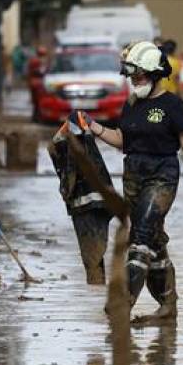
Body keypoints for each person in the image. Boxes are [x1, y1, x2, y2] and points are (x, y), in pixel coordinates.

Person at [86, 41, 183, 324]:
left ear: (155, 74)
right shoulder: (131, 105)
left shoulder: (173, 105)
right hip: (133, 176)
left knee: (140, 236)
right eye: (131, 77)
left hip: (162, 176)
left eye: (139, 76)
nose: (134, 81)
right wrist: (93, 127)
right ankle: (168, 305)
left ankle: (122, 302)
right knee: (154, 240)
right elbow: (122, 140)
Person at [48, 112, 114, 285]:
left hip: (88, 207)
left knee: (92, 257)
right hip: (101, 205)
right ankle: (97, 289)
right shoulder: (86, 146)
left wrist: (66, 193)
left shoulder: (73, 145)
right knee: (95, 255)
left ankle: (96, 288)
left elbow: (68, 183)